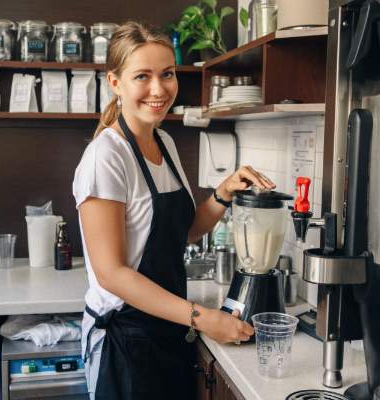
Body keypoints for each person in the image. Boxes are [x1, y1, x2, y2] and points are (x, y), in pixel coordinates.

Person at [73, 21, 276, 400]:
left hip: (166, 327)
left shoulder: (163, 141)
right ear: (115, 83)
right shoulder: (106, 157)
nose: (158, 88)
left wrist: (224, 192)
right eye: (142, 76)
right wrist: (203, 317)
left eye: (167, 74)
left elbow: (183, 232)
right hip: (126, 339)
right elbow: (112, 274)